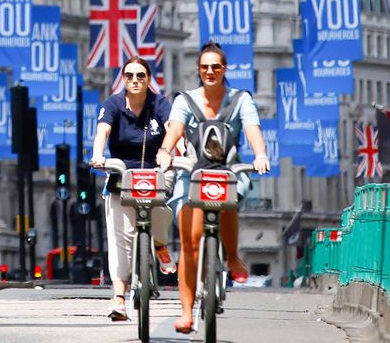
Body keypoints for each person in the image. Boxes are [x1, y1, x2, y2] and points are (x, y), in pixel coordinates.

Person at [155, 42, 271, 335]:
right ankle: (186, 313)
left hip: (226, 172)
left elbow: (252, 128)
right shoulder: (185, 100)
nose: (210, 72)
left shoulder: (240, 99)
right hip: (191, 175)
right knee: (190, 244)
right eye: (205, 67)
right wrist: (166, 152)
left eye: (216, 67)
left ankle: (231, 255)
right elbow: (174, 131)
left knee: (229, 197)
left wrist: (260, 155)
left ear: (224, 69)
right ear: (198, 70)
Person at [89, 56, 175, 322]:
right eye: (129, 76)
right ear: (123, 79)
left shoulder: (160, 104)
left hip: (155, 172)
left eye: (141, 76)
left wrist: (167, 150)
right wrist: (98, 156)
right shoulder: (113, 104)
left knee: (162, 208)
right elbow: (102, 132)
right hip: (121, 175)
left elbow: (173, 129)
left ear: (149, 79)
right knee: (120, 241)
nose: (135, 80)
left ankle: (159, 242)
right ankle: (118, 298)